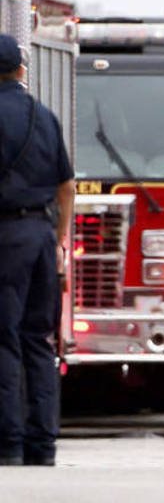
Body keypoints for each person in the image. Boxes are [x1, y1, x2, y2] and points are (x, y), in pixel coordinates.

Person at [0, 35, 75, 466]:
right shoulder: (43, 116)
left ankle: (8, 443)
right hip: (41, 238)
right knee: (39, 343)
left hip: (6, 238)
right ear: (22, 71)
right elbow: (66, 187)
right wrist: (60, 241)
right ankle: (43, 445)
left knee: (4, 339)